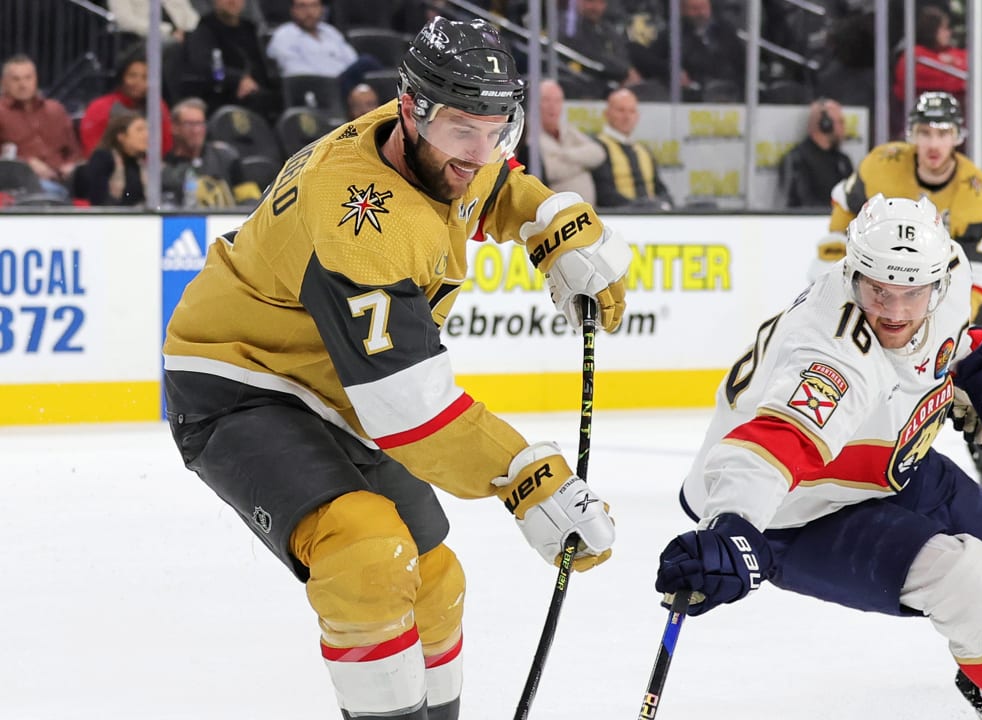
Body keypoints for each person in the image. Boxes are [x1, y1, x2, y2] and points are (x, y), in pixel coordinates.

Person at [161, 18, 630, 720]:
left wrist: (547, 222)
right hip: (239, 380)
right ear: (411, 112)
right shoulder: (358, 217)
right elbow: (410, 412)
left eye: (498, 129)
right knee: (368, 556)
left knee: (436, 583)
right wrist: (526, 479)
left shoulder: (430, 133)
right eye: (462, 132)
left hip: (338, 388)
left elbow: (493, 184)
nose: (479, 153)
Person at [655, 193, 982, 720]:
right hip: (796, 508)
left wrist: (968, 356)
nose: (894, 312)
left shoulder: (952, 269)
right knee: (972, 580)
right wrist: (732, 527)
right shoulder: (835, 355)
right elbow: (772, 446)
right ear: (852, 275)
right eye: (877, 291)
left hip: (889, 461)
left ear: (937, 282)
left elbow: (946, 335)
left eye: (912, 293)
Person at [821, 91, 982, 515]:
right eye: (925, 132)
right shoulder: (882, 164)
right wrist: (834, 266)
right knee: (848, 369)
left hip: (945, 297)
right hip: (874, 293)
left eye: (944, 132)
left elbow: (978, 280)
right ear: (912, 135)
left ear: (958, 136)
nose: (934, 142)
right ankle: (839, 460)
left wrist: (933, 331)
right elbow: (841, 206)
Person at [0, 54, 80, 199]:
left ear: (36, 79)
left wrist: (70, 165)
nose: (23, 84)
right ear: (4, 83)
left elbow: (73, 151)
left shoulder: (56, 110)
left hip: (63, 179)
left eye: (28, 78)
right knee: (51, 192)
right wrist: (26, 164)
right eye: (16, 79)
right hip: (19, 184)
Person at [266, 0, 383, 96]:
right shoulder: (284, 35)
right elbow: (294, 71)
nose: (309, 12)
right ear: (293, 10)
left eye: (314, 6)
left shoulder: (330, 32)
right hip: (318, 88)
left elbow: (352, 60)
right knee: (367, 62)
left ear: (322, 9)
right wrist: (330, 81)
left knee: (370, 70)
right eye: (302, 6)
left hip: (346, 83)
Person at [162, 97, 261, 207]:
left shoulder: (226, 157)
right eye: (189, 124)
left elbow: (251, 198)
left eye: (200, 123)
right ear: (174, 127)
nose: (196, 130)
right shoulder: (165, 168)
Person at [591, 87, 672, 209]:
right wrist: (639, 207)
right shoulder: (597, 147)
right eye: (621, 110)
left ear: (637, 116)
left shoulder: (644, 150)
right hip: (619, 220)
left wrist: (663, 204)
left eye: (632, 111)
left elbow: (660, 189)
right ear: (607, 114)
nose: (627, 117)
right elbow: (604, 194)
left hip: (652, 217)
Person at [79, 51, 174, 155]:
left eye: (145, 77)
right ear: (122, 77)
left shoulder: (158, 106)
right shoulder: (101, 106)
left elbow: (165, 145)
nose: (138, 82)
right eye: (132, 76)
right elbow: (92, 147)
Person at [537, 79, 605, 203]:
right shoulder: (529, 136)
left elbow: (598, 153)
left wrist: (564, 155)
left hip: (589, 212)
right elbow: (550, 171)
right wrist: (585, 165)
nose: (552, 106)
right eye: (546, 100)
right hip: (556, 215)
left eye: (557, 101)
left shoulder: (569, 130)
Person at [778, 98, 853, 209]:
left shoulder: (842, 161)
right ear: (825, 125)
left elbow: (852, 197)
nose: (844, 129)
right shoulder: (797, 160)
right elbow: (804, 204)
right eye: (840, 122)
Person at [81, 110, 149, 207]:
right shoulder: (103, 158)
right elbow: (98, 200)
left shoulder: (142, 164)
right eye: (139, 130)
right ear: (121, 136)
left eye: (147, 129)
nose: (146, 135)